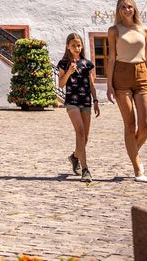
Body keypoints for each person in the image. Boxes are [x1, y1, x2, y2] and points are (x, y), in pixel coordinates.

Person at [105, 0, 147, 182]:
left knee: (145, 125)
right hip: (121, 75)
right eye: (122, 7)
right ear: (118, 10)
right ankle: (138, 168)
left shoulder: (144, 30)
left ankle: (132, 151)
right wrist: (109, 85)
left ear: (134, 9)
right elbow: (111, 58)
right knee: (130, 125)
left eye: (129, 6)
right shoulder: (114, 30)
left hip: (141, 75)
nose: (126, 10)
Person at [55, 33, 99, 182]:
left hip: (86, 101)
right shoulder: (63, 63)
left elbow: (91, 84)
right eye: (73, 45)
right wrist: (69, 72)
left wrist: (96, 100)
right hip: (72, 102)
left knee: (84, 138)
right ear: (68, 46)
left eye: (79, 45)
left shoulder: (87, 64)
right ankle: (85, 170)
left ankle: (74, 157)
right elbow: (61, 84)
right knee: (79, 132)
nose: (76, 47)